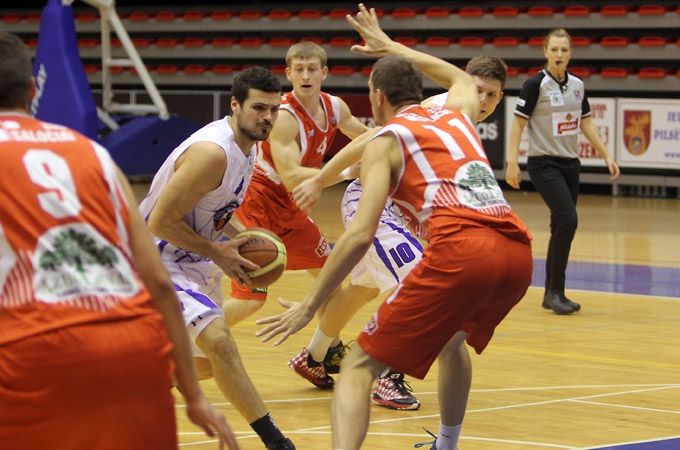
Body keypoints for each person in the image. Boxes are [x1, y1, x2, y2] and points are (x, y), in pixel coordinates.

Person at [256, 6, 533, 450]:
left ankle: (380, 373)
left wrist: (309, 303)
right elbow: (451, 80)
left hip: (458, 245)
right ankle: (444, 442)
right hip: (516, 249)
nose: (485, 99)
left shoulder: (397, 132)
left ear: (376, 96)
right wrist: (390, 46)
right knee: (448, 338)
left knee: (360, 364)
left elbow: (360, 231)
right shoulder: (458, 107)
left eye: (494, 96)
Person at [0, 31, 238, 450]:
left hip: (36, 350)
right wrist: (194, 395)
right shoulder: (92, 154)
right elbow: (160, 283)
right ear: (33, 90)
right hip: (135, 350)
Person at [287, 54, 510, 411]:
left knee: (359, 289)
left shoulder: (464, 122)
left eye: (493, 96)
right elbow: (375, 138)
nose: (484, 102)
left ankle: (313, 358)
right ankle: (388, 375)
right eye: (480, 91)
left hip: (400, 208)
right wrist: (321, 178)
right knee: (416, 286)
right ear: (466, 84)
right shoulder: (444, 106)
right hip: (375, 202)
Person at [138, 66, 294, 450]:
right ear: (235, 105)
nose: (268, 118)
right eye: (259, 108)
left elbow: (220, 211)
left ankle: (129, 375)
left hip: (194, 258)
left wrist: (245, 240)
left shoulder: (250, 146)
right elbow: (160, 221)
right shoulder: (213, 153)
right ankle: (276, 442)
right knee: (221, 343)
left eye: (274, 109)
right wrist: (217, 252)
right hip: (156, 257)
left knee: (206, 366)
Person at [223, 42, 368, 384]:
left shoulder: (335, 107)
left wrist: (392, 145)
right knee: (251, 300)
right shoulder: (284, 117)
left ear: (324, 73)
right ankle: (184, 333)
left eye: (312, 68)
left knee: (332, 283)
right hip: (259, 202)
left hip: (293, 207)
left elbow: (369, 138)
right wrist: (350, 171)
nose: (305, 75)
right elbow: (289, 175)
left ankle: (322, 352)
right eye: (298, 69)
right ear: (288, 74)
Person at [505, 27, 620, 315]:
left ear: (571, 54)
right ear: (545, 51)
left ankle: (554, 293)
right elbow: (518, 124)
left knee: (562, 225)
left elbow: (587, 124)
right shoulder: (535, 85)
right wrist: (512, 162)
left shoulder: (578, 85)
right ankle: (554, 292)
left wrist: (607, 155)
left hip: (570, 164)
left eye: (564, 50)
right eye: (554, 49)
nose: (559, 54)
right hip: (544, 163)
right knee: (568, 219)